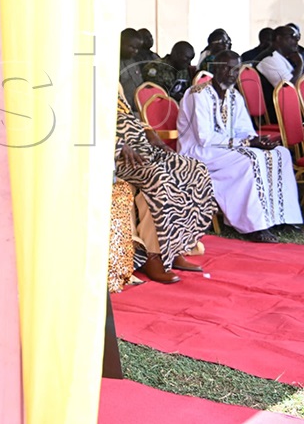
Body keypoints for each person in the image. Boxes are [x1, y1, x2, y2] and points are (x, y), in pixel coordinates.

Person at [178, 51, 303, 242]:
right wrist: (246, 143)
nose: (231, 73)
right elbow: (204, 137)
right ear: (214, 68)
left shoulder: (234, 96)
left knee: (280, 154)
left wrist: (257, 141)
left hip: (225, 149)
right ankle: (253, 226)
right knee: (248, 160)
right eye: (226, 67)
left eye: (235, 69)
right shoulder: (198, 94)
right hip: (198, 151)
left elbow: (244, 129)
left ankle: (282, 216)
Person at [115, 92, 217, 283]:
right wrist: (116, 144)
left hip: (142, 147)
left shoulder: (111, 79)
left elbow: (128, 115)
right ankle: (154, 256)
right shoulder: (78, 80)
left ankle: (174, 246)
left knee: (194, 169)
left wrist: (150, 133)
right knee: (159, 178)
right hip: (115, 154)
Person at [119, 28, 145, 111]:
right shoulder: (112, 63)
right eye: (132, 47)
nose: (135, 51)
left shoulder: (133, 62)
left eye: (137, 48)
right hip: (123, 111)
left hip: (138, 108)